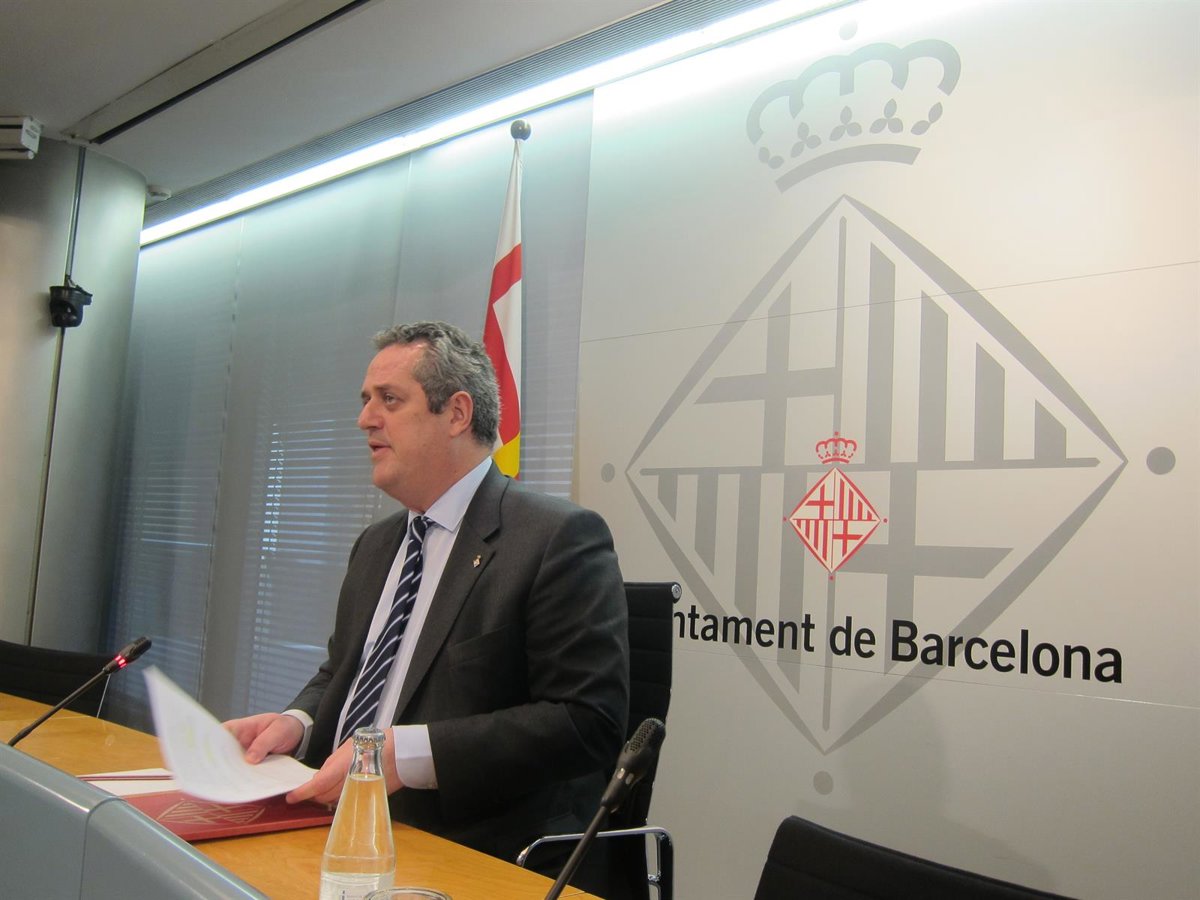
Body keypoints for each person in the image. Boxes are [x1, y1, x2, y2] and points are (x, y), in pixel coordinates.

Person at [225, 321, 629, 869]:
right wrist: (298, 724)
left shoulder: (556, 538)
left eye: (389, 400)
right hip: (330, 828)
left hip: (466, 848)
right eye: (366, 400)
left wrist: (409, 755)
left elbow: (587, 722)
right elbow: (343, 672)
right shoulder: (375, 544)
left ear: (457, 414)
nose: (365, 419)